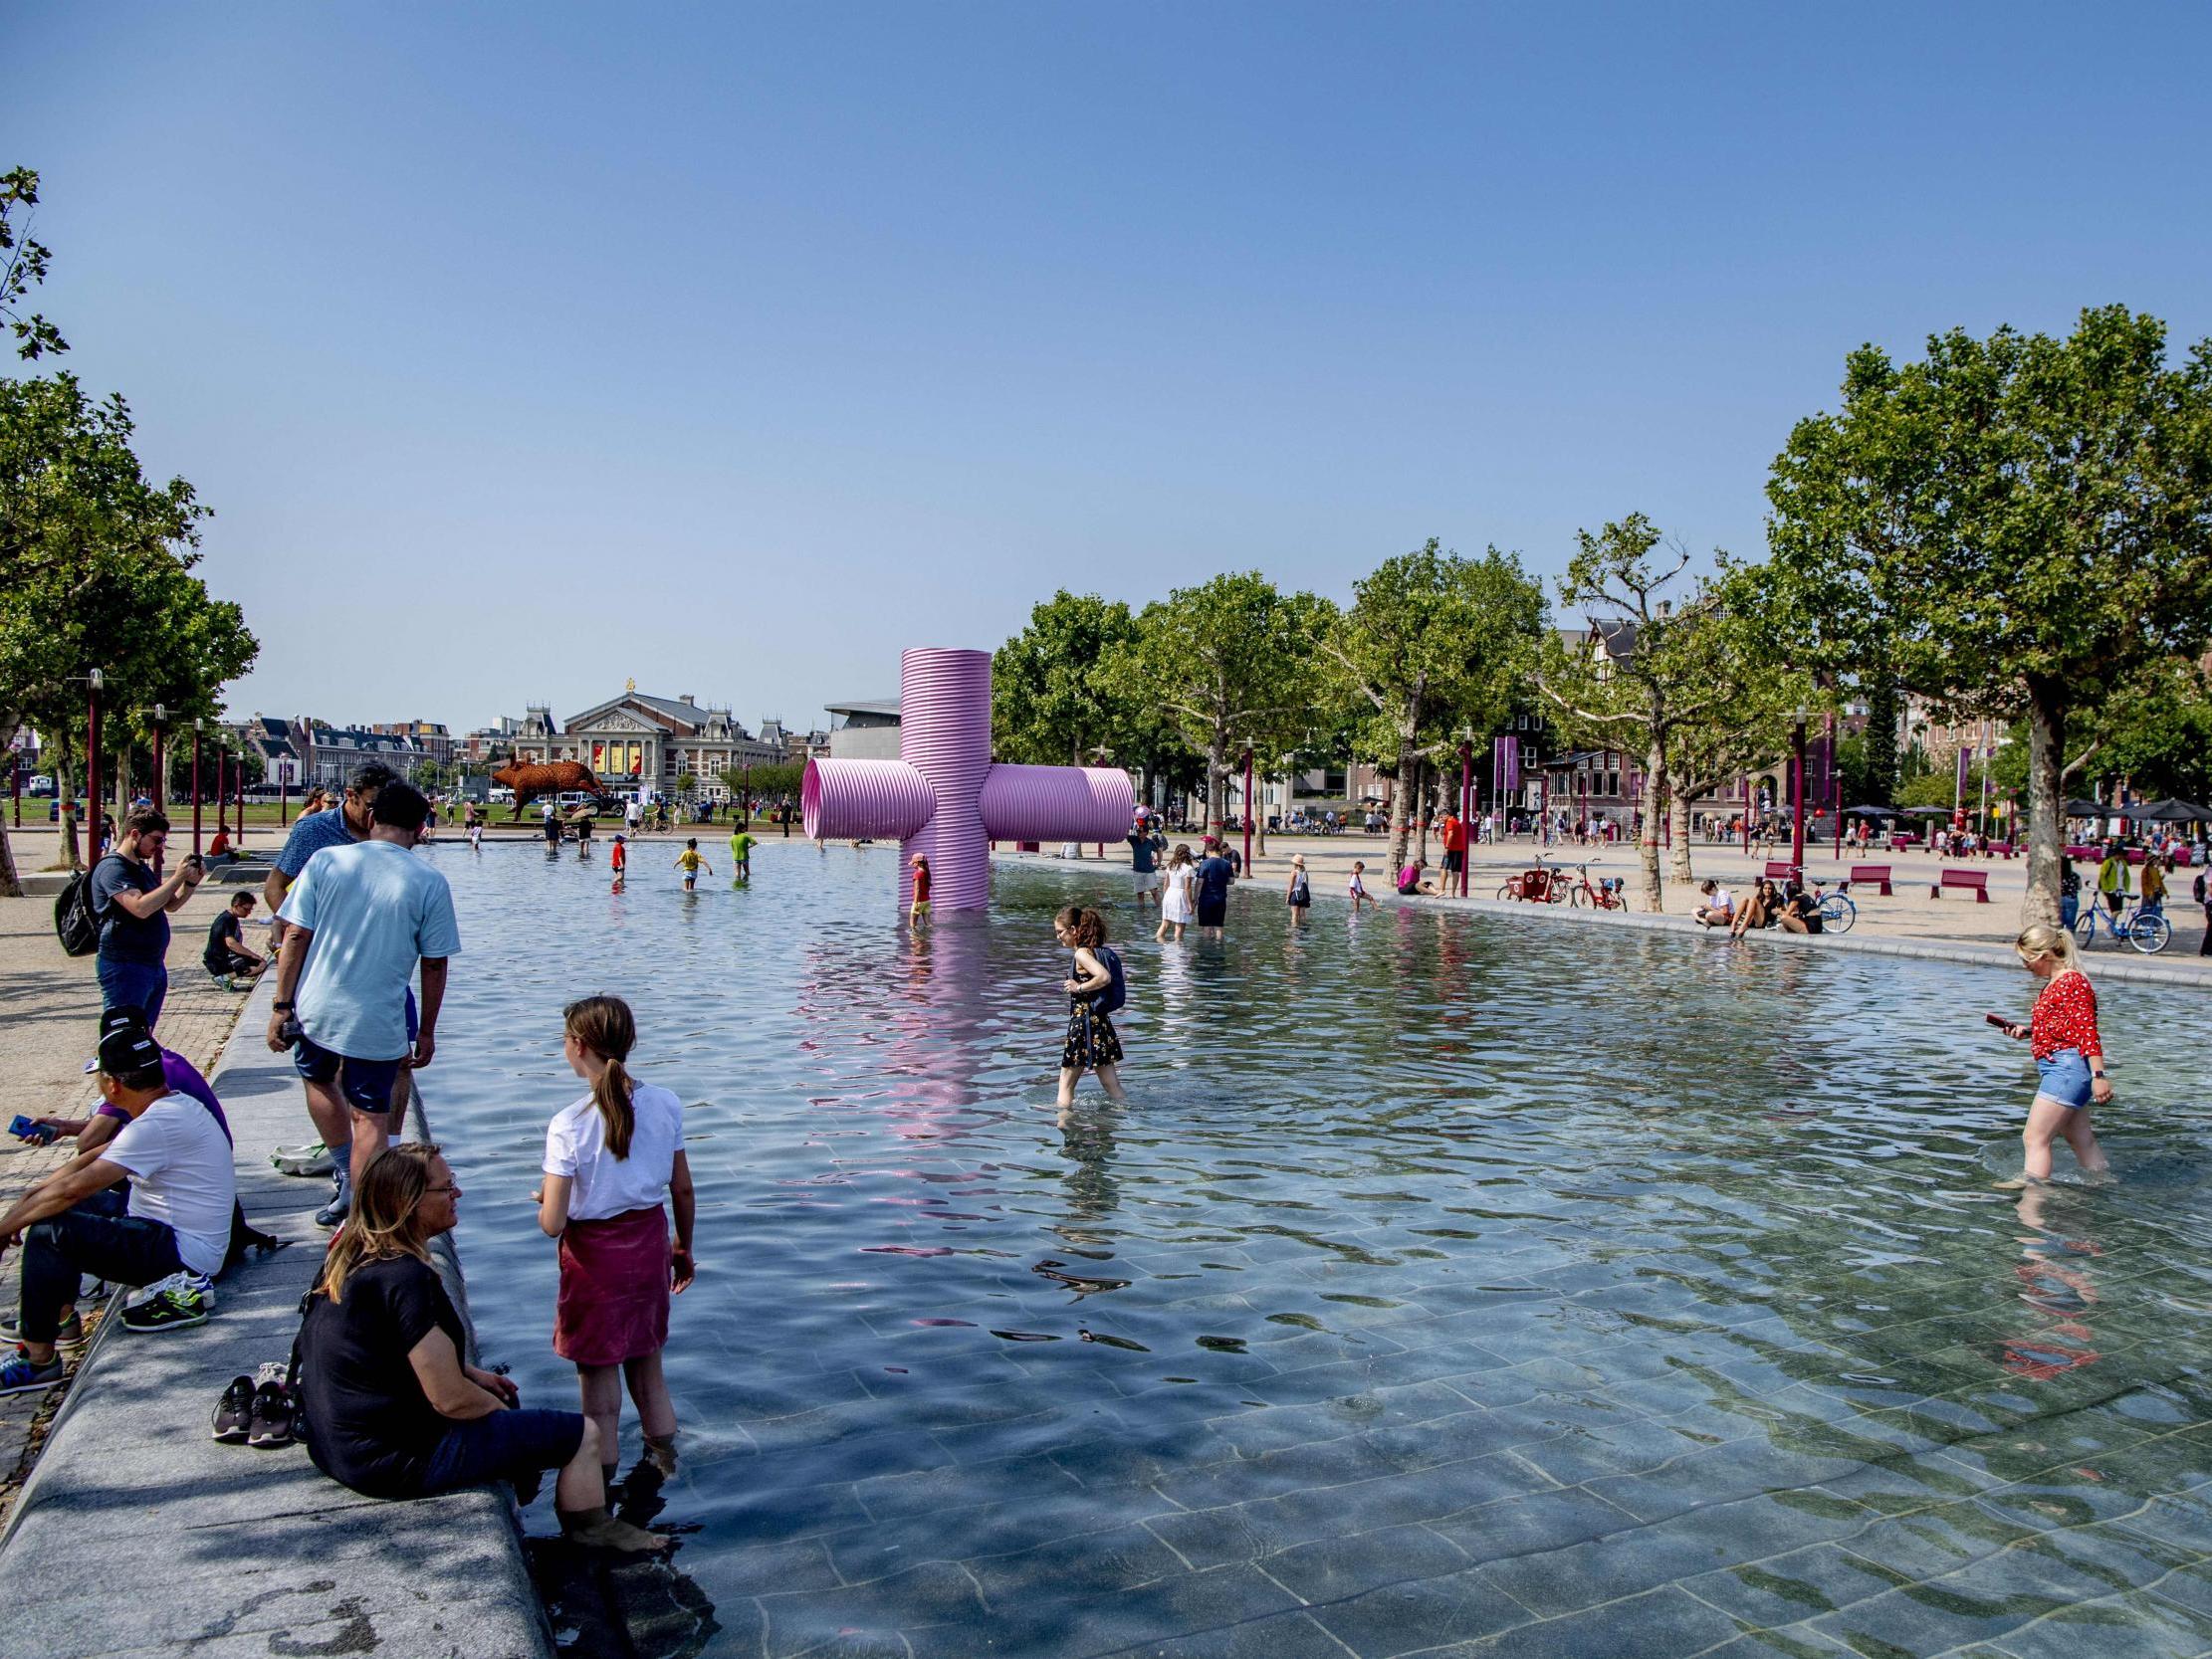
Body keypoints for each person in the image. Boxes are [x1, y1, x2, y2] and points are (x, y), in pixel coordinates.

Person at [296, 1144, 663, 1552]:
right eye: (446, 1188)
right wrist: (500, 1415)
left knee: (499, 1393)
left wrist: (471, 1374)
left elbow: (380, 1349)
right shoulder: (406, 1279)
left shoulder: (352, 1254)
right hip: (390, 1462)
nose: (458, 1194)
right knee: (582, 1434)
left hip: (334, 1447)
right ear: (406, 1201)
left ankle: (530, 1495)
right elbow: (450, 1401)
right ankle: (592, 1528)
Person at [0, 1022, 237, 1390]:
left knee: (51, 1231)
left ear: (112, 1085)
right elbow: (76, 1169)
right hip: (168, 1234)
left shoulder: (156, 1125)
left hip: (184, 1257)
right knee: (50, 1213)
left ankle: (37, 1360)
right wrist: (21, 1210)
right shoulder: (171, 1107)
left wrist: (9, 1225)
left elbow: (72, 1189)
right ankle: (59, 1321)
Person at [269, 782, 458, 1224]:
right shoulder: (428, 881)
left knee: (318, 1081)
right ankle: (366, 1209)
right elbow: (434, 965)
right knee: (370, 1116)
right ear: (420, 827)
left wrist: (281, 1005)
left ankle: (343, 1173)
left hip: (315, 1005)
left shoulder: (326, 862)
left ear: (372, 819)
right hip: (377, 1014)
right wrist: (427, 1030)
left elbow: (295, 933)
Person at [536, 997, 695, 1489]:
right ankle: (665, 1468)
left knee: (600, 1400)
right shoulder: (665, 1102)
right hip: (648, 1245)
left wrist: (544, 1197)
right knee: (650, 1376)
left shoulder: (568, 1122)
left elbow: (553, 1223)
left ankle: (599, 1490)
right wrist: (682, 1247)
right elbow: (682, 1187)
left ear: (577, 1046)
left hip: (594, 1262)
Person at [1992, 925, 2111, 1187]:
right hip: (2062, 1067)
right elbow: (2065, 1028)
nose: (2025, 966)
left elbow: (2088, 1033)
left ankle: (2033, 1197)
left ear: (2045, 955)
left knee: (2035, 1138)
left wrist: (2099, 1075)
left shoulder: (2072, 982)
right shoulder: (2057, 983)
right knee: (2080, 1139)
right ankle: (2104, 1185)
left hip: (2066, 1071)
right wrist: (2028, 1032)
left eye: (2027, 960)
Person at [264, 763, 402, 949]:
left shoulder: (393, 832)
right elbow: (274, 887)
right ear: (350, 795)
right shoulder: (313, 829)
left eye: (387, 807)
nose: (378, 815)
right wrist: (297, 929)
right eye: (372, 806)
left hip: (376, 943)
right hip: (325, 943)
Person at [90, 808, 205, 1030]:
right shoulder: (113, 868)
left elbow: (171, 904)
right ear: (135, 834)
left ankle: (137, 1065)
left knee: (142, 1034)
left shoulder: (141, 867)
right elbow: (140, 908)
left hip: (152, 963)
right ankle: (115, 1066)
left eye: (162, 840)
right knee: (123, 1035)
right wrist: (177, 876)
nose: (159, 846)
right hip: (125, 964)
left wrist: (190, 883)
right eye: (156, 840)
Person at [1054, 907, 1128, 1107]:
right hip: (1100, 1023)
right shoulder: (1095, 951)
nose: (1058, 937)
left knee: (1065, 1086)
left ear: (1073, 929)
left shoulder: (1082, 953)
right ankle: (1126, 1115)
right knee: (1111, 1085)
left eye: (1060, 932)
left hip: (1083, 1025)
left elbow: (1104, 977)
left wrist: (1079, 987)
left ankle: (1063, 1124)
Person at [203, 891, 267, 987]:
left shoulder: (229, 917)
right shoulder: (228, 920)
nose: (248, 913)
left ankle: (226, 977)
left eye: (250, 910)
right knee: (259, 965)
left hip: (218, 959)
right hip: (217, 961)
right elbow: (231, 943)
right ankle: (224, 978)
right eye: (246, 909)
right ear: (237, 906)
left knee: (257, 962)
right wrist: (253, 955)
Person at [1156, 845, 1195, 942]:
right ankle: (1178, 952)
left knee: (1164, 924)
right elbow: (1187, 888)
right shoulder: (1188, 869)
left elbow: (1165, 884)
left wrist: (1165, 898)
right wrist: (1191, 905)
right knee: (1179, 926)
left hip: (1169, 894)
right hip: (1180, 896)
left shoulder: (1170, 866)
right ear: (1187, 855)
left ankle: (1160, 946)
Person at [1194, 838, 1234, 931]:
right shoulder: (1227, 863)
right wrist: (1220, 880)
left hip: (1205, 900)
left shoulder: (1205, 863)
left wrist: (1195, 898)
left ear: (1207, 850)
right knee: (1219, 927)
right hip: (1221, 899)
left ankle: (1207, 944)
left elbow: (1200, 882)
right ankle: (1219, 944)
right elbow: (1232, 881)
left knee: (1206, 928)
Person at [1127, 814, 1164, 906]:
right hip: (1137, 871)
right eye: (1138, 831)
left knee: (1154, 892)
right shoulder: (1133, 840)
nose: (1138, 832)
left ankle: (1159, 909)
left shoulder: (1150, 842)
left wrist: (1159, 862)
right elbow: (1124, 834)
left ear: (1146, 833)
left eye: (1140, 831)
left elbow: (1159, 850)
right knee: (1140, 894)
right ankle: (1141, 912)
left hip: (1149, 871)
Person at [2097, 842, 2130, 918]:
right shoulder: (2108, 862)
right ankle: (2110, 926)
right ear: (2116, 854)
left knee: (2118, 910)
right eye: (2121, 855)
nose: (2122, 857)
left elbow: (2126, 876)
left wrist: (2126, 888)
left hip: (2120, 889)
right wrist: (2106, 888)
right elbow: (2102, 876)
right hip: (2111, 890)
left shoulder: (2123, 863)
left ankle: (2112, 926)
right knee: (2115, 910)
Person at [1439, 810, 1466, 888]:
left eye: (1441, 817)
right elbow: (1443, 834)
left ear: (1446, 815)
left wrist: (1447, 847)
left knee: (1443, 867)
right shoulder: (1456, 821)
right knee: (1455, 870)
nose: (1441, 819)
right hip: (1459, 849)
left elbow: (1450, 834)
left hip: (1450, 849)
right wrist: (1442, 824)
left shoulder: (1449, 822)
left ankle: (1442, 889)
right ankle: (1453, 893)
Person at [1285, 854, 1312, 923]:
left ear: (1295, 864)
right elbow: (1307, 884)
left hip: (1295, 895)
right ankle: (1303, 930)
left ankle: (1294, 931)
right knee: (1303, 915)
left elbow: (1291, 886)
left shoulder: (1294, 873)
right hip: (1303, 896)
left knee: (1294, 915)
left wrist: (1288, 897)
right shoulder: (1305, 872)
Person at [2140, 853, 2167, 918]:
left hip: (2157, 892)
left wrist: (2165, 892)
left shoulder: (2156, 870)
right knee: (2147, 910)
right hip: (2149, 893)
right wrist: (2149, 893)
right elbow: (2144, 883)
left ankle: (2154, 924)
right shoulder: (2145, 870)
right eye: (2154, 860)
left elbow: (2159, 882)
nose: (2156, 861)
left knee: (2156, 909)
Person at [909, 854, 931, 922]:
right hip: (927, 901)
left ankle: (914, 932)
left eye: (913, 862)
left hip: (919, 902)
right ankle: (931, 932)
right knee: (928, 924)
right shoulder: (926, 872)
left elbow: (917, 889)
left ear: (917, 863)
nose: (912, 864)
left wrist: (915, 904)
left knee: (913, 925)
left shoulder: (917, 874)